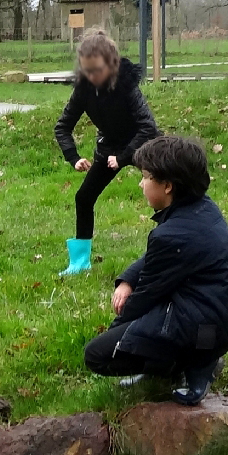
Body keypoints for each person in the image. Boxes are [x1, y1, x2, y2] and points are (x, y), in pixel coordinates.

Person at [82, 134, 228, 406]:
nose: (141, 183)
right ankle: (192, 360)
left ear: (167, 186)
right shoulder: (201, 210)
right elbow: (158, 259)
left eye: (146, 177)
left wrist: (116, 338)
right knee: (139, 331)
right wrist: (127, 280)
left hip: (202, 329)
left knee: (97, 355)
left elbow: (146, 296)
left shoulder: (173, 235)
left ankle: (192, 367)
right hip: (219, 323)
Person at [52, 29, 158, 276]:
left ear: (111, 64)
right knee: (83, 197)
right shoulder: (84, 90)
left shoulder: (126, 86)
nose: (92, 76)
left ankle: (176, 248)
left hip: (143, 144)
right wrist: (74, 157)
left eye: (97, 70)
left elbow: (147, 126)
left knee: (163, 197)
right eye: (87, 71)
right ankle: (80, 263)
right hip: (109, 146)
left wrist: (123, 158)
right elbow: (62, 127)